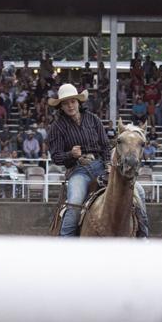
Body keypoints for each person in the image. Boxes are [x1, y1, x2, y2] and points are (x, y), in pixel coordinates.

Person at [47, 84, 148, 237]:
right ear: (61, 107)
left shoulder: (92, 119)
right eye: (66, 103)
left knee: (138, 191)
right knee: (74, 203)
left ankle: (143, 235)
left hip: (101, 166)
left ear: (78, 102)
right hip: (78, 171)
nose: (70, 106)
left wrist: (108, 165)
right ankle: (66, 243)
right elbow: (55, 156)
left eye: (72, 101)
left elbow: (105, 146)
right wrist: (70, 155)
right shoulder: (58, 127)